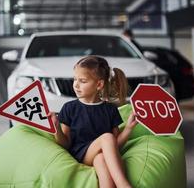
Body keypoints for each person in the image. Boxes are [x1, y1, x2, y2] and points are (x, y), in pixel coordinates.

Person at [49, 55, 138, 188]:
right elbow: (66, 144)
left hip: (99, 156)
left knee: (101, 158)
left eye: (82, 81)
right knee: (107, 137)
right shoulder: (70, 108)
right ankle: (124, 185)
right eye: (75, 79)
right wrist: (56, 129)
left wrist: (129, 128)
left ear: (99, 84)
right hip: (80, 155)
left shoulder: (110, 110)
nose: (76, 85)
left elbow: (115, 145)